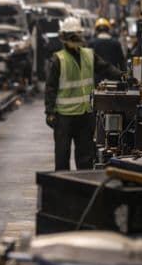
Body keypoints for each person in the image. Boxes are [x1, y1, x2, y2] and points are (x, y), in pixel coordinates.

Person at [45, 17, 122, 171]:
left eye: (76, 35)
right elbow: (50, 87)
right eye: (71, 36)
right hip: (63, 117)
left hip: (84, 115)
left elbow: (105, 68)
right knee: (62, 156)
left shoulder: (89, 55)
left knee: (85, 157)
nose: (74, 39)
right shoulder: (58, 59)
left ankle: (83, 189)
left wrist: (123, 75)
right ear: (64, 38)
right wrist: (50, 112)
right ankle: (62, 188)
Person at [88, 17, 125, 82]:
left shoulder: (91, 43)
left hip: (97, 80)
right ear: (108, 29)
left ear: (96, 30)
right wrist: (123, 76)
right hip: (114, 78)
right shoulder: (116, 43)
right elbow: (121, 62)